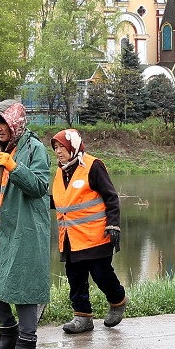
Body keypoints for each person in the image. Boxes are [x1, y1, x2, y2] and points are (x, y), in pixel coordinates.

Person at [0, 100, 52, 349]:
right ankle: (8, 331)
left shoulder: (35, 149)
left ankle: (27, 345)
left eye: (3, 122)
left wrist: (14, 167)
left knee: (23, 286)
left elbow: (41, 186)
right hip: (1, 229)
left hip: (26, 228)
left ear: (16, 122)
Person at [50, 128, 128, 333]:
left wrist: (113, 224)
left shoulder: (93, 166)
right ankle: (82, 317)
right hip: (70, 238)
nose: (58, 152)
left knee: (101, 274)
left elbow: (111, 197)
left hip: (96, 236)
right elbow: (61, 201)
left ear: (73, 146)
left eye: (62, 147)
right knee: (75, 279)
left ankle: (118, 301)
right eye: (56, 148)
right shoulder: (60, 171)